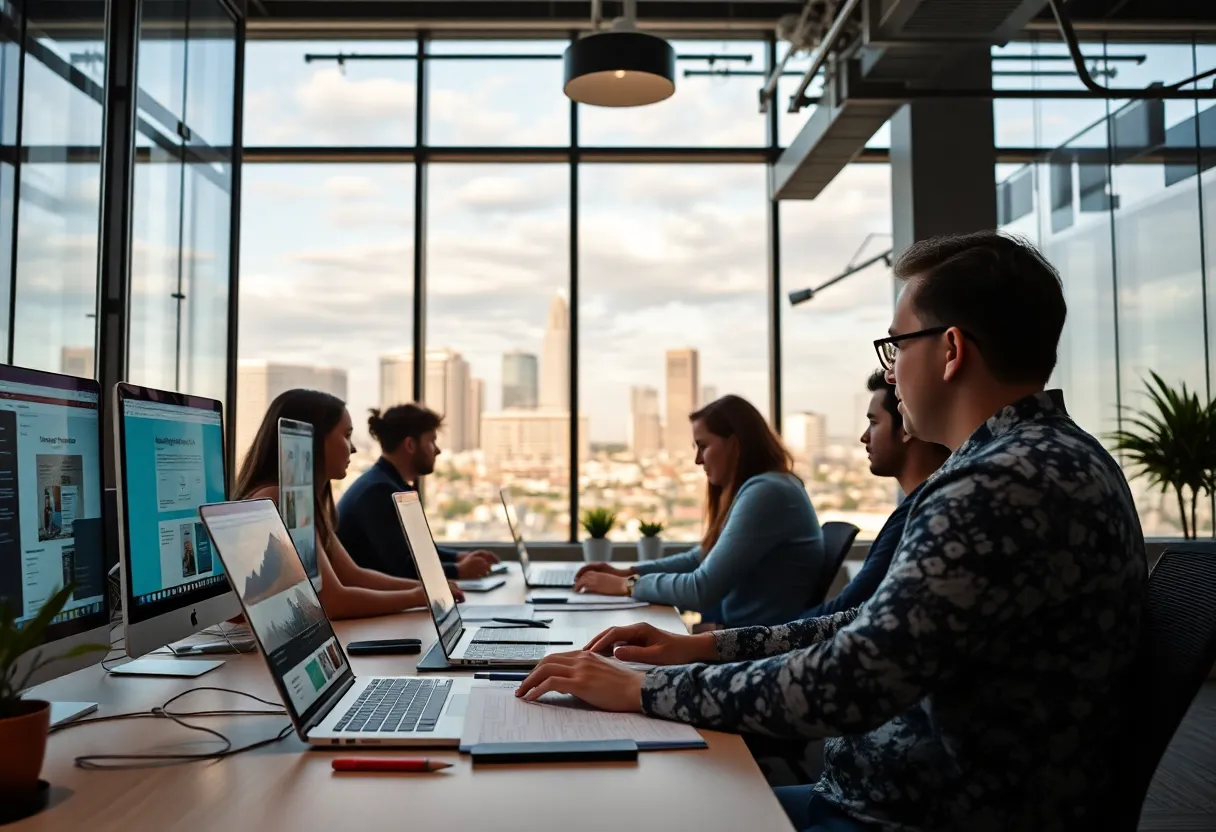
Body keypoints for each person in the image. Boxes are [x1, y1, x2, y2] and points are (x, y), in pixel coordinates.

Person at [515, 232, 1147, 831]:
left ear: (951, 350)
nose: (892, 372)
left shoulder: (999, 483)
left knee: (609, 809)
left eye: (896, 346)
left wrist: (647, 689)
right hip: (901, 799)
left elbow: (846, 684)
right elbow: (863, 627)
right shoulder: (1042, 459)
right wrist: (697, 648)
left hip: (905, 818)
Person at [574, 394, 826, 629]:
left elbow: (700, 590)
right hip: (745, 635)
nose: (698, 460)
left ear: (735, 444)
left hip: (759, 649)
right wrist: (630, 572)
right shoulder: (767, 487)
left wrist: (625, 586)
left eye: (703, 446)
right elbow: (700, 558)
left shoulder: (768, 492)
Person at [236, 389, 465, 621]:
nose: (353, 448)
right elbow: (333, 602)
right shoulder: (277, 499)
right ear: (313, 440)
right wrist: (418, 595)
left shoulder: (304, 502)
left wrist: (428, 588)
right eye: (346, 436)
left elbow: (354, 576)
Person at [799, 370, 950, 620]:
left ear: (906, 425)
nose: (864, 437)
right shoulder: (922, 504)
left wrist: (743, 636)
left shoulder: (916, 514)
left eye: (873, 422)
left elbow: (846, 612)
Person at [336, 404, 499, 581]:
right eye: (431, 441)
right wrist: (458, 570)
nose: (437, 450)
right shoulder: (378, 492)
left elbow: (418, 552)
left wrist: (458, 558)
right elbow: (400, 568)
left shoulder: (389, 484)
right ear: (410, 445)